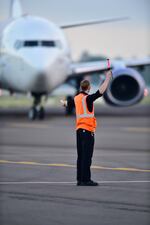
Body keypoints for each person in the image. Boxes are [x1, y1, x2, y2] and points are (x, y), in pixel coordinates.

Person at [61, 70, 112, 186]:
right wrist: (107, 78)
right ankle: (86, 180)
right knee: (87, 157)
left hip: (79, 131)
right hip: (87, 131)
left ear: (80, 88)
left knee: (80, 156)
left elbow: (66, 103)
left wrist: (62, 102)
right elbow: (101, 92)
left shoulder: (77, 99)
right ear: (88, 88)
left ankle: (80, 179)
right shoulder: (87, 98)